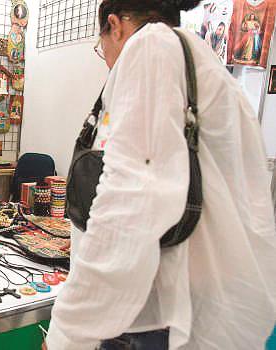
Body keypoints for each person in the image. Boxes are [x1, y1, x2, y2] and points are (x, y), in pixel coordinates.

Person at [44, 0, 276, 349]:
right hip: (188, 300)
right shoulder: (198, 59)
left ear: (115, 25)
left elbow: (126, 210)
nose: (104, 55)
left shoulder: (150, 48)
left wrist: (66, 332)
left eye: (99, 44)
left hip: (148, 314)